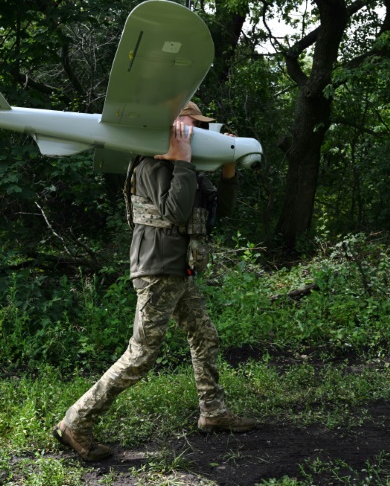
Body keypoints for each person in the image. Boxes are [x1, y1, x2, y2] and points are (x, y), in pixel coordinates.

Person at [52, 101, 258, 461]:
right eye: (193, 125)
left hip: (179, 268)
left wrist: (228, 171)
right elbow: (175, 212)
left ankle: (213, 412)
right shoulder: (150, 163)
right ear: (175, 125)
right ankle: (76, 422)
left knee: (205, 335)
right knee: (141, 355)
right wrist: (182, 160)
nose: (199, 132)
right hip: (159, 268)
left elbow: (218, 211)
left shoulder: (186, 164)